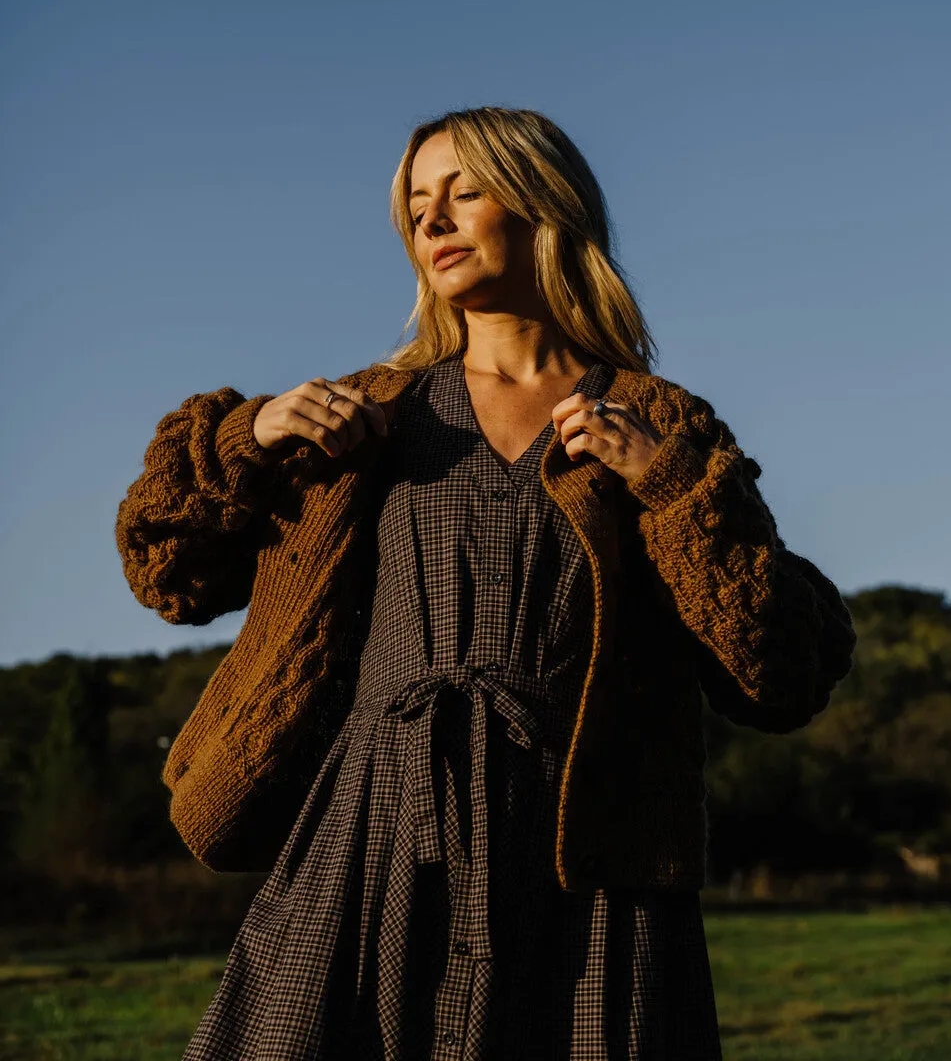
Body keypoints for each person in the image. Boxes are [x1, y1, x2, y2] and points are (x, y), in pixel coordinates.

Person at [115, 106, 857, 1060]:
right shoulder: (366, 416)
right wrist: (243, 438)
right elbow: (163, 566)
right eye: (418, 204)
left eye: (464, 192)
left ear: (544, 205)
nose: (433, 220)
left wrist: (669, 484)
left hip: (586, 870)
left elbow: (784, 669)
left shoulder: (658, 422)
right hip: (372, 850)